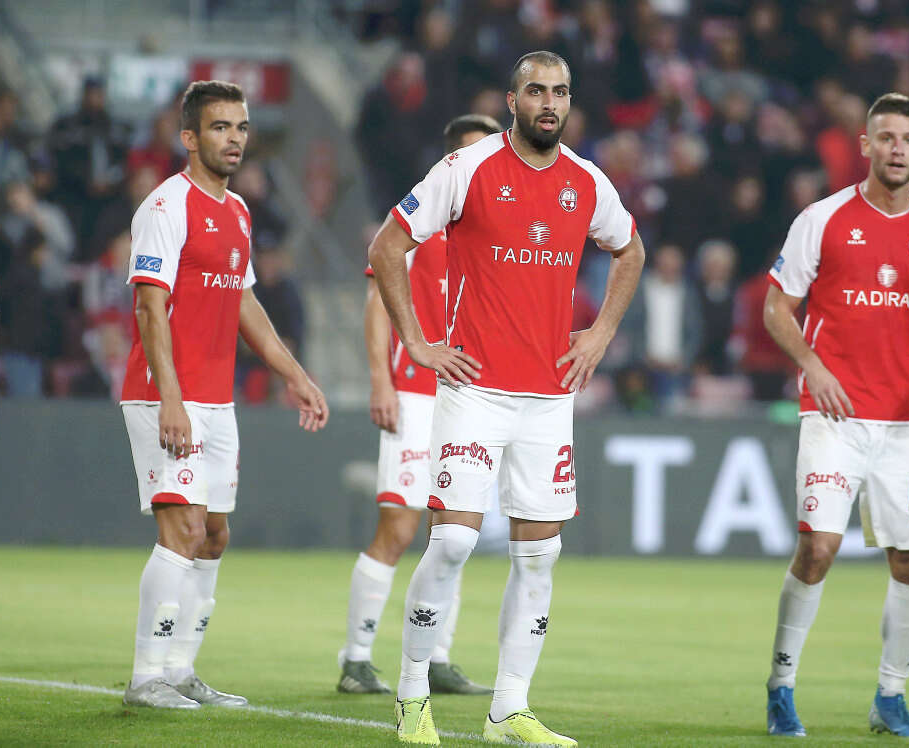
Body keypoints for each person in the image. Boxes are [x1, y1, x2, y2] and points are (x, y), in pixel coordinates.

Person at [368, 51, 645, 745]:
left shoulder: (586, 180)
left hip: (549, 396)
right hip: (475, 388)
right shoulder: (467, 169)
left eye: (560, 92)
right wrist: (418, 343)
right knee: (455, 541)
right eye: (537, 91)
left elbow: (631, 250)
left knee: (540, 557)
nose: (550, 103)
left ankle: (509, 710)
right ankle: (411, 696)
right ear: (512, 100)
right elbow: (386, 248)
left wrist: (601, 334)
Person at [120, 80, 329, 709]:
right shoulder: (166, 207)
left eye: (240, 127)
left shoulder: (237, 211)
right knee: (184, 526)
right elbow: (150, 308)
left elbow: (244, 304)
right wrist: (172, 398)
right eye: (219, 127)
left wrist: (294, 374)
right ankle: (146, 677)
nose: (234, 138)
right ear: (189, 137)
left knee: (213, 535)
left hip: (217, 399)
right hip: (165, 394)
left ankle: (181, 671)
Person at [762, 92, 909, 739]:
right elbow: (776, 307)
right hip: (834, 415)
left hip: (904, 423)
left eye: (908, 139)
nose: (897, 149)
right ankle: (782, 687)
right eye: (886, 138)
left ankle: (890, 699)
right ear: (866, 145)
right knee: (818, 548)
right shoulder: (821, 219)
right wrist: (813, 367)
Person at [337, 114, 502, 697]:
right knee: (400, 526)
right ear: (449, 160)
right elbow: (376, 304)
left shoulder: (497, 233)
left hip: (471, 399)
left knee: (455, 531)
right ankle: (357, 658)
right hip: (413, 392)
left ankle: (437, 658)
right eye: (473, 153)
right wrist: (380, 381)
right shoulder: (417, 223)